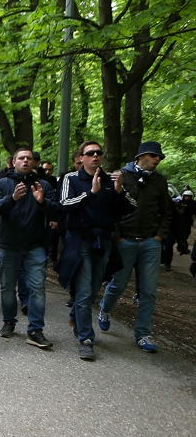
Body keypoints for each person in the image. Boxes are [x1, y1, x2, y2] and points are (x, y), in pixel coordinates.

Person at [57, 141, 134, 361]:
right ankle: (86, 339)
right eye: (90, 153)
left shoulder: (110, 180)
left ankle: (75, 317)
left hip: (104, 241)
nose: (95, 156)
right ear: (81, 157)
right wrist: (90, 193)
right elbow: (64, 204)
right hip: (80, 240)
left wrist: (119, 191)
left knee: (92, 290)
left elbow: (130, 208)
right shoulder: (71, 179)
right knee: (83, 290)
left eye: (99, 153)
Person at [97, 142, 172, 353]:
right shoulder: (120, 175)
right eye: (154, 156)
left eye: (160, 157)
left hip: (150, 242)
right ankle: (104, 308)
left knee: (148, 291)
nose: (157, 160)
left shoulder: (160, 181)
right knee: (118, 284)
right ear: (140, 156)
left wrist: (159, 236)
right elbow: (111, 208)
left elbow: (166, 211)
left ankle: (142, 333)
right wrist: (118, 236)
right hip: (126, 241)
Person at [0, 147, 58, 349]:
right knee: (8, 288)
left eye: (29, 158)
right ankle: (9, 321)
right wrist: (13, 198)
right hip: (9, 245)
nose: (26, 161)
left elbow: (57, 211)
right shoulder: (3, 183)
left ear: (34, 162)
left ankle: (36, 329)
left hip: (35, 245)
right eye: (21, 158)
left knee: (37, 288)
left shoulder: (43, 184)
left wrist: (42, 201)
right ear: (14, 161)